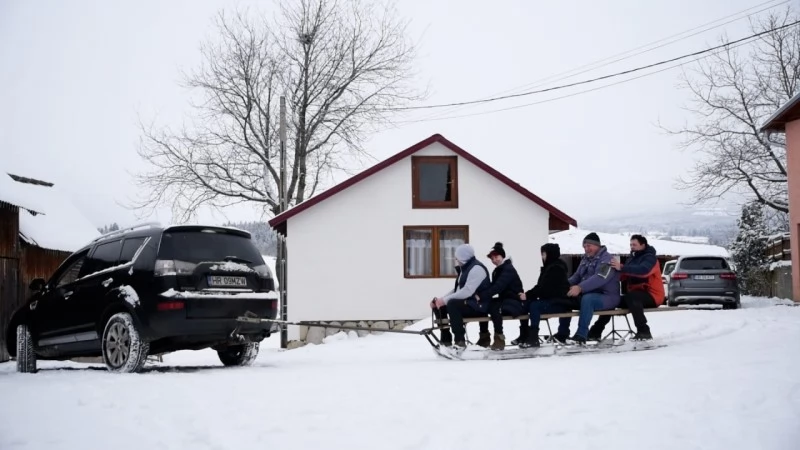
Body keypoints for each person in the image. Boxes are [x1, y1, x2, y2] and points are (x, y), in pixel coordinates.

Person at [588, 234, 664, 341]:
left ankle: (644, 331)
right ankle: (595, 332)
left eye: (634, 244)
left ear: (643, 245)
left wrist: (622, 267)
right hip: (634, 295)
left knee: (632, 297)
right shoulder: (632, 258)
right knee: (612, 300)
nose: (632, 246)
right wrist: (611, 274)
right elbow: (624, 274)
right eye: (630, 244)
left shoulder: (651, 259)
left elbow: (643, 271)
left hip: (653, 295)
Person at [429, 243, 492, 349]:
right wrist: (440, 300)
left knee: (452, 303)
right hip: (469, 303)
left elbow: (467, 291)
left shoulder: (477, 269)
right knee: (439, 305)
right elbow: (457, 289)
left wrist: (445, 300)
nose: (456, 259)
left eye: (457, 257)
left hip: (478, 306)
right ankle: (446, 339)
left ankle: (460, 341)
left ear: (463, 258)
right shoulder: (465, 269)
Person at [564, 232, 621, 344]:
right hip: (590, 293)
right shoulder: (585, 259)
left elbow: (600, 278)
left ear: (597, 245)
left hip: (608, 297)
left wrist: (580, 287)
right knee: (566, 298)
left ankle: (581, 335)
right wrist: (564, 286)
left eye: (588, 246)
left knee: (588, 299)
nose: (586, 249)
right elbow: (577, 276)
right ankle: (562, 333)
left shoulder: (608, 260)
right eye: (584, 246)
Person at [518, 243, 574, 348]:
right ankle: (524, 335)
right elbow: (540, 286)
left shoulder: (556, 268)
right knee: (526, 304)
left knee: (535, 305)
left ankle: (533, 337)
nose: (542, 257)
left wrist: (528, 295)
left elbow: (545, 289)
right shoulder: (549, 267)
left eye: (544, 254)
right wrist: (528, 295)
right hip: (553, 300)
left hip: (560, 302)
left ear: (550, 254)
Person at [479, 242, 524, 351]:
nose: (494, 260)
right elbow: (493, 286)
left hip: (514, 300)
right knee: (484, 305)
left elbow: (497, 287)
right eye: (492, 258)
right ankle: (484, 336)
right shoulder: (498, 269)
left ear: (502, 256)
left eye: (496, 257)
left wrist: (481, 296)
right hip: (505, 298)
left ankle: (499, 338)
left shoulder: (507, 269)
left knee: (495, 308)